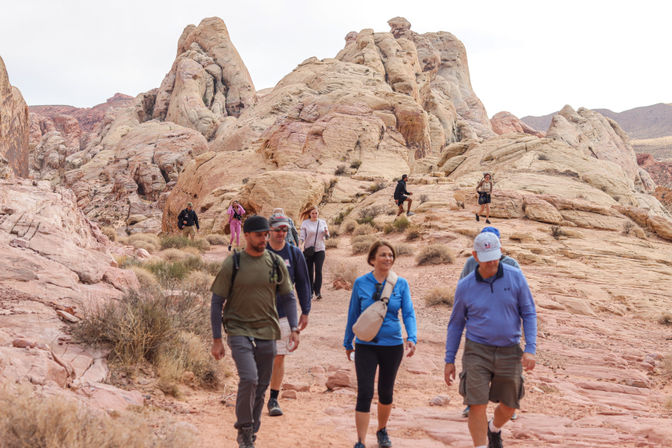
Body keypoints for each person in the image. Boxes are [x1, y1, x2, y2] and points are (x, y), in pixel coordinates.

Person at [210, 215, 300, 448]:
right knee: (249, 378)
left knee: (261, 385)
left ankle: (252, 431)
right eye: (259, 235)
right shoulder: (234, 262)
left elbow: (289, 297)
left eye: (265, 235)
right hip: (238, 328)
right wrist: (217, 339)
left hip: (267, 330)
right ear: (247, 235)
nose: (264, 239)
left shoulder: (274, 262)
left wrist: (294, 327)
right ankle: (244, 429)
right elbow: (216, 301)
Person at [444, 232, 537, 448]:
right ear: (475, 256)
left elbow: (529, 313)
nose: (491, 263)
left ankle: (494, 429)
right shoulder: (465, 285)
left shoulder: (515, 276)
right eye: (486, 258)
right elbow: (456, 323)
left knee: (510, 405)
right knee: (476, 403)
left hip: (509, 349)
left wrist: (530, 348)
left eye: (495, 257)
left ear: (501, 252)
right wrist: (449, 359)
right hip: (477, 349)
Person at [344, 241, 417, 448]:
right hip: (366, 344)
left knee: (386, 391)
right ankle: (360, 440)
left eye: (391, 255)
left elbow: (409, 313)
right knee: (365, 392)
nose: (388, 259)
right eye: (383, 255)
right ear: (372, 259)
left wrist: (412, 337)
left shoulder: (400, 284)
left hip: (392, 346)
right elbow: (353, 314)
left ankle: (382, 430)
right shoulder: (360, 283)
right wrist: (347, 341)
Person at [459, 226, 521, 421]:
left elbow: (520, 296)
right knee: (475, 367)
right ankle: (472, 404)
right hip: (479, 327)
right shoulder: (471, 263)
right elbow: (463, 287)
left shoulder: (511, 265)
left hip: (505, 329)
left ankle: (507, 407)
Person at [265, 212, 312, 417]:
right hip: (259, 314)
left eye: (285, 229)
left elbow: (302, 283)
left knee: (279, 357)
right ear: (269, 231)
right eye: (278, 229)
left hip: (283, 312)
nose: (281, 233)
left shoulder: (294, 254)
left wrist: (305, 311)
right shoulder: (258, 252)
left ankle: (273, 399)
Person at [299, 206, 329, 300]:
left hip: (320, 249)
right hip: (309, 249)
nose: (315, 215)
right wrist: (300, 246)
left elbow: (327, 237)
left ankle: (318, 292)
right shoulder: (305, 223)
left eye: (316, 213)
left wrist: (326, 233)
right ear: (309, 214)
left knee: (319, 271)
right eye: (313, 213)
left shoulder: (322, 222)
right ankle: (310, 292)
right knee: (310, 271)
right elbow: (302, 237)